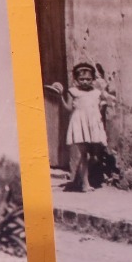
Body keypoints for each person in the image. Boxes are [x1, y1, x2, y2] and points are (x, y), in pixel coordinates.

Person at [46, 61, 115, 192]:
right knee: (84, 155)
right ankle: (85, 184)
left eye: (88, 79)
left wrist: (105, 104)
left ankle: (80, 178)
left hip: (93, 124)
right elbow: (68, 108)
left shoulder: (96, 93)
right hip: (79, 124)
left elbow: (99, 108)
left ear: (93, 80)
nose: (84, 82)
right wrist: (60, 97)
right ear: (76, 80)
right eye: (81, 79)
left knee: (95, 156)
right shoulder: (73, 92)